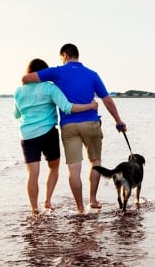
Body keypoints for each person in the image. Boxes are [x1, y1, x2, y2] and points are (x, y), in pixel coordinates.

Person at [21, 43, 127, 214]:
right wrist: (118, 121)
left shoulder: (56, 71)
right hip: (91, 123)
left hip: (68, 126)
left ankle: (79, 208)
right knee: (95, 162)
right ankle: (92, 200)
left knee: (74, 169)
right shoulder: (92, 74)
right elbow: (107, 100)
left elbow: (26, 79)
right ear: (77, 55)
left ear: (64, 55)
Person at [14, 58, 100, 217]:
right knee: (53, 168)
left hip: (27, 135)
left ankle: (34, 210)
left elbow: (16, 114)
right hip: (47, 133)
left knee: (32, 174)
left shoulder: (19, 91)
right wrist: (91, 105)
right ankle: (47, 201)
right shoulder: (49, 88)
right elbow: (67, 107)